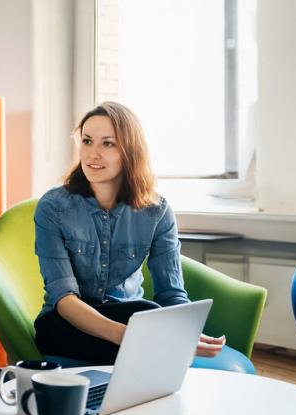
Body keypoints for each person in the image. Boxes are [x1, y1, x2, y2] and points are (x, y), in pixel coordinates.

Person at [32, 101, 226, 365]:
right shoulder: (53, 207)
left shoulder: (156, 211)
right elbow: (63, 298)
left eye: (107, 144)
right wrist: (126, 335)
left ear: (130, 151)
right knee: (147, 322)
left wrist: (186, 332)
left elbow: (171, 292)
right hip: (67, 323)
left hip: (129, 315)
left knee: (147, 313)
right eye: (87, 141)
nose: (92, 154)